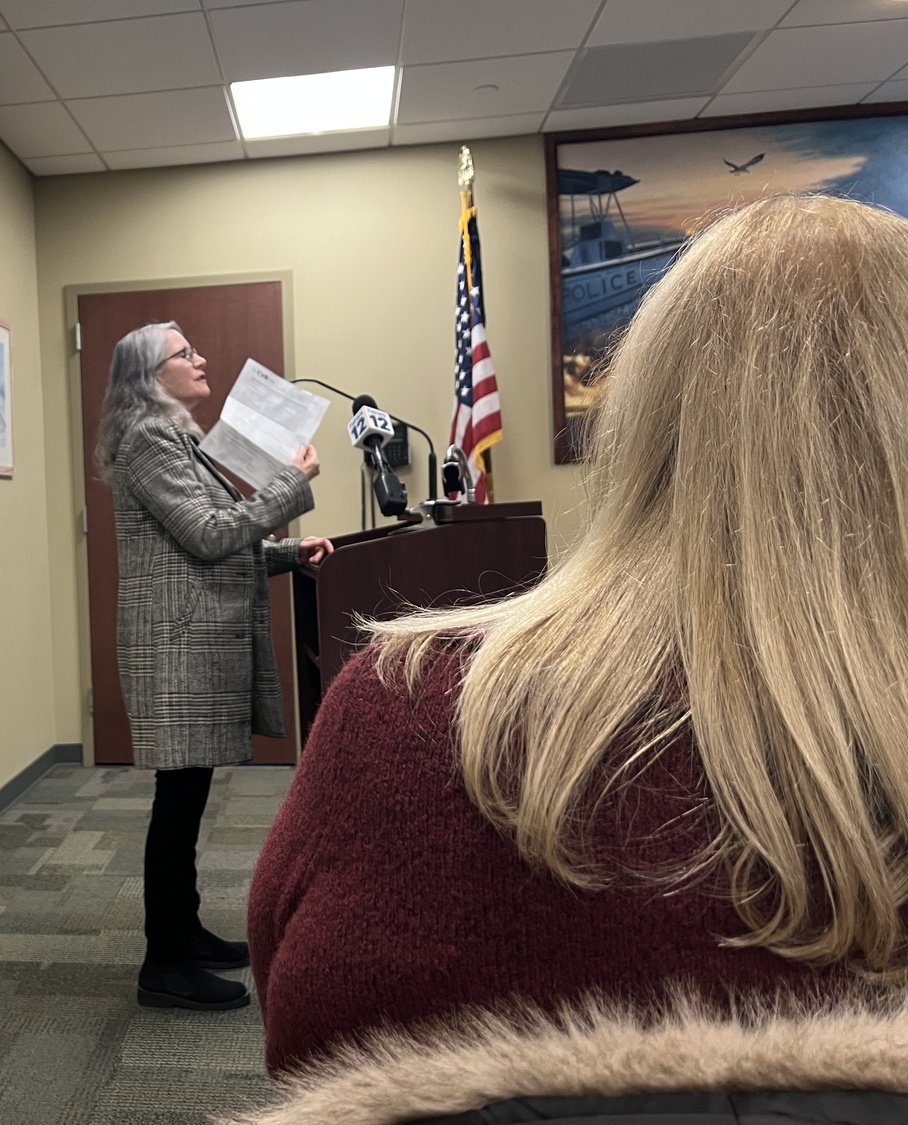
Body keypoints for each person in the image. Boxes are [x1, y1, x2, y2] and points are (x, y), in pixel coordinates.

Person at [239, 196, 908, 1123]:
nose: (198, 363)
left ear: (641, 411)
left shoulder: (405, 710)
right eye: (183, 355)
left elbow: (299, 1035)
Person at [94, 323, 333, 1013]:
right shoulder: (147, 439)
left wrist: (291, 554)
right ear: (151, 375)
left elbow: (214, 541)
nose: (202, 360)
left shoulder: (177, 437)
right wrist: (294, 482)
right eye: (186, 354)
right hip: (177, 648)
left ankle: (185, 930)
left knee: (188, 797)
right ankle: (163, 963)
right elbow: (208, 534)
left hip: (191, 642)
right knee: (177, 804)